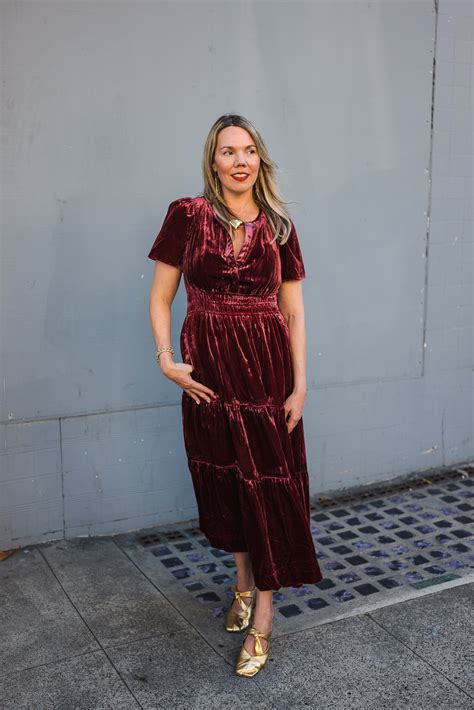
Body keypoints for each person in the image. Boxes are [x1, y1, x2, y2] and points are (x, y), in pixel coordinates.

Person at [148, 114, 322, 677]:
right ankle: (243, 583)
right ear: (214, 161)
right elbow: (161, 297)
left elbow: (293, 312)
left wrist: (300, 384)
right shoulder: (187, 215)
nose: (240, 160)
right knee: (228, 479)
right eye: (228, 151)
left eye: (248, 150)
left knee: (267, 485)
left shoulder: (279, 225)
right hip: (208, 375)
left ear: (259, 159)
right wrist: (167, 361)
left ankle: (263, 617)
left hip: (267, 372)